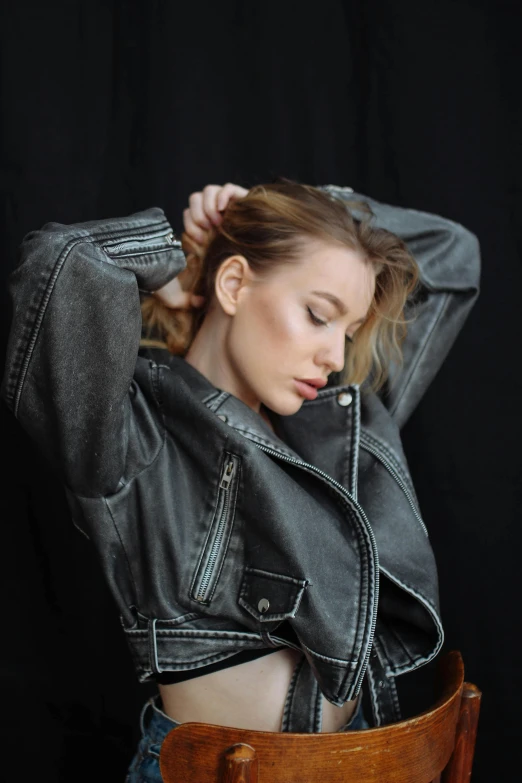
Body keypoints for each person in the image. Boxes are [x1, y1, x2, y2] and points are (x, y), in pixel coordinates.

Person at [1, 179, 480, 782]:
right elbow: (62, 263)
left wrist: (296, 200)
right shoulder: (136, 432)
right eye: (317, 315)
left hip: (362, 761)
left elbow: (453, 256)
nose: (335, 355)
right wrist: (171, 264)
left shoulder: (335, 425)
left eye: (348, 332)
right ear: (233, 284)